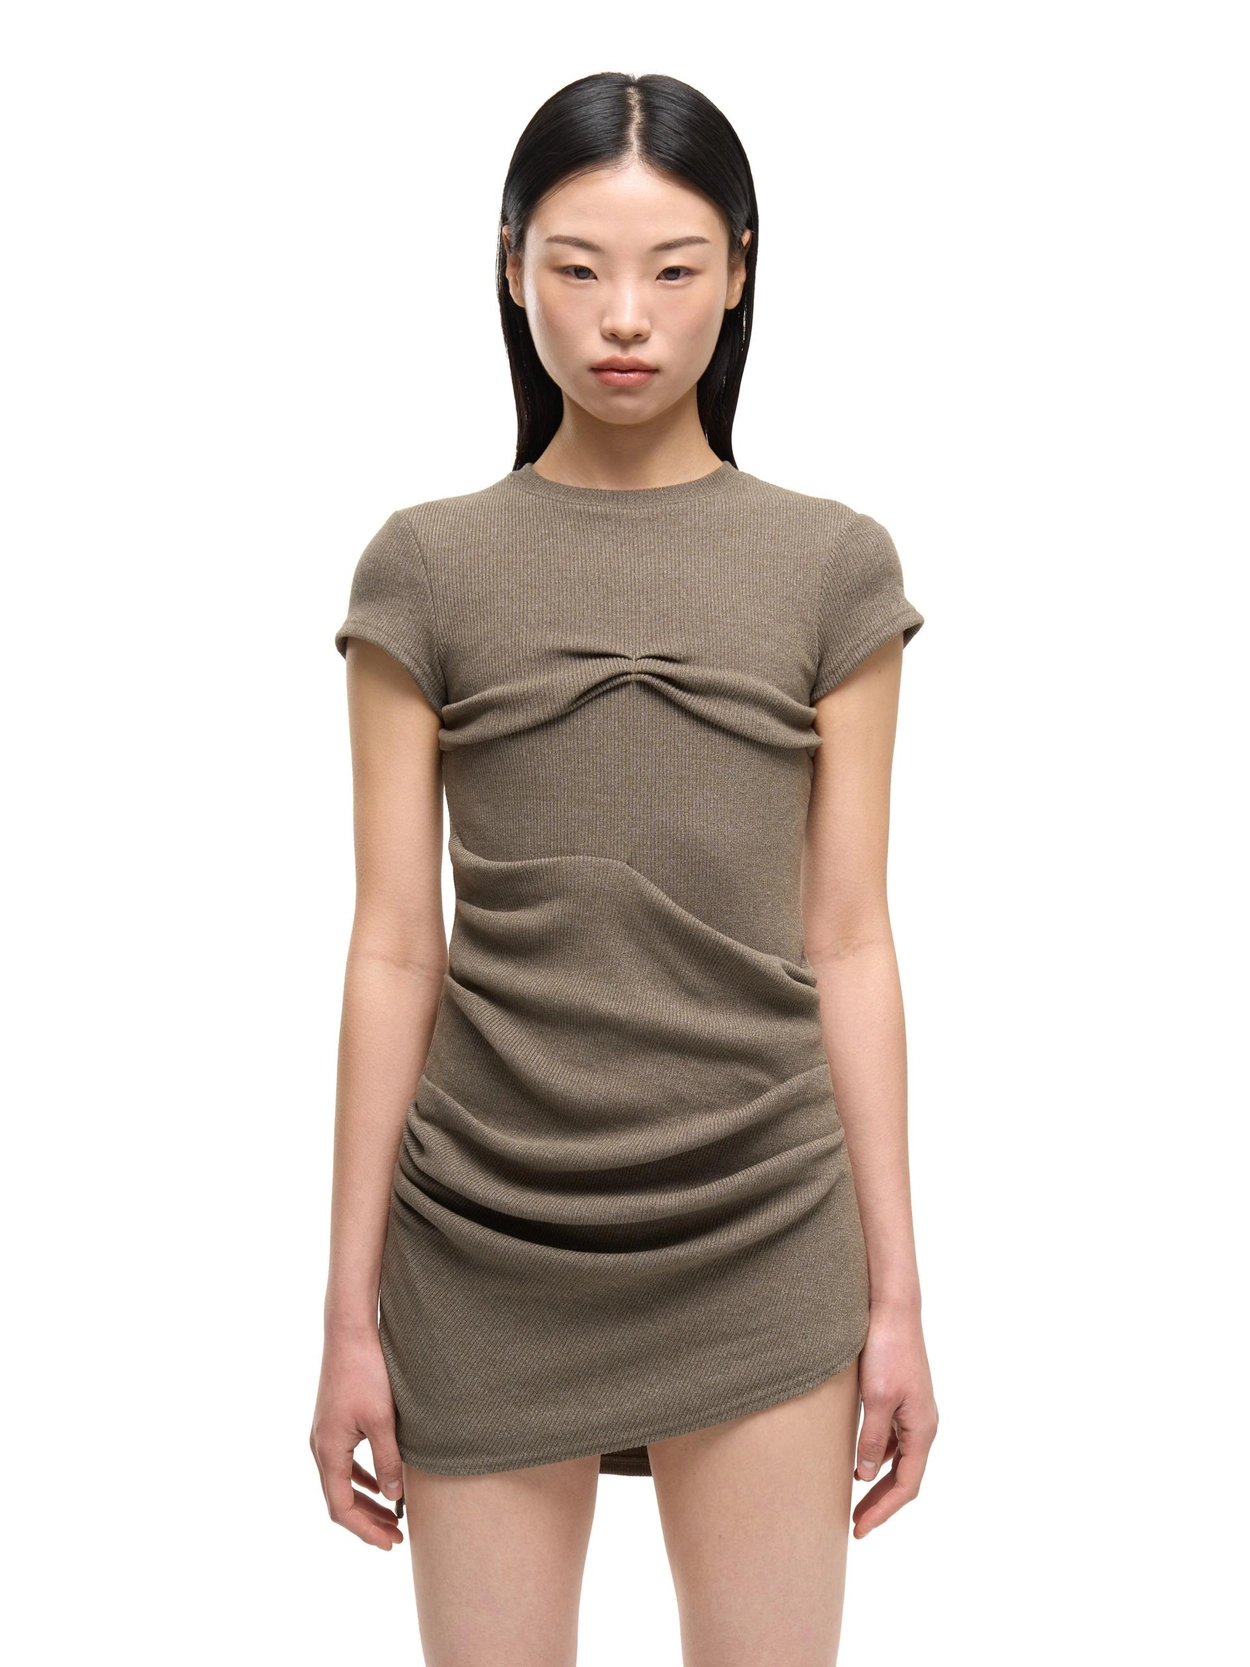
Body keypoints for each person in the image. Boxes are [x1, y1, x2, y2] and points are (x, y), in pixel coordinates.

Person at [311, 69, 938, 1666]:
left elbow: (849, 937)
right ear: (509, 265)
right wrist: (344, 1315)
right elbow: (394, 946)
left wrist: (896, 1300)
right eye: (576, 266)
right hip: (482, 1235)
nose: (623, 319)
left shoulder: (830, 565)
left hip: (759, 1218)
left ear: (739, 271)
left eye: (672, 269)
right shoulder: (427, 566)